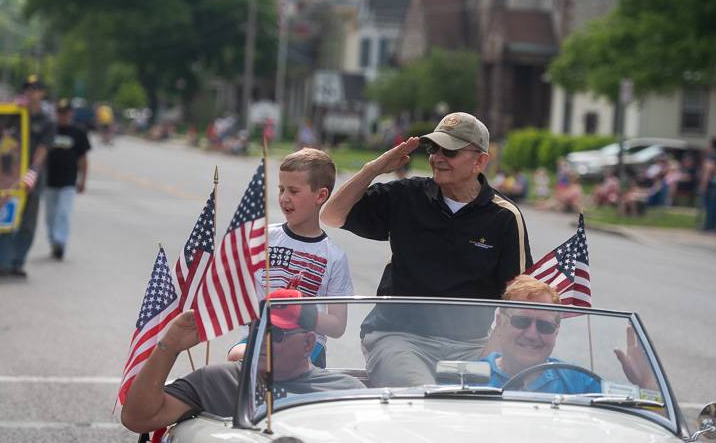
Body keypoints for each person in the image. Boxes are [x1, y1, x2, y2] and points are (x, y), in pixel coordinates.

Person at [321, 112, 532, 387]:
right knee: (423, 395)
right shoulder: (407, 195)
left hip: (470, 345)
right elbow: (332, 216)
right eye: (433, 149)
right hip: (397, 335)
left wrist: (489, 353)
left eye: (450, 151)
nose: (437, 157)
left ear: (480, 161)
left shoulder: (504, 217)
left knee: (481, 405)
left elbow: (517, 299)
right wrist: (374, 168)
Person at [120, 289, 365, 434]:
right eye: (257, 330)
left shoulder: (345, 391)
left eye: (275, 334)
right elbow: (138, 418)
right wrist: (169, 346)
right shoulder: (218, 380)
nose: (261, 340)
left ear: (308, 343)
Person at [227, 148, 353, 366]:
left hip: (307, 343)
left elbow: (337, 325)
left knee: (285, 364)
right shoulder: (261, 237)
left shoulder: (334, 257)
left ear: (321, 195)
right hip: (261, 335)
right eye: (281, 189)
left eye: (293, 191)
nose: (284, 198)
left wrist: (297, 313)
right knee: (237, 355)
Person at [479, 276, 656, 393]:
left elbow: (649, 432)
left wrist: (648, 385)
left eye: (545, 326)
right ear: (500, 323)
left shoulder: (579, 382)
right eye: (522, 321)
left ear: (556, 331)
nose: (532, 334)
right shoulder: (470, 376)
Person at [0, 75, 56, 277]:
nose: (31, 92)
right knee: (7, 217)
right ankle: (2, 261)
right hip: (10, 176)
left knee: (27, 221)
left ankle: (18, 262)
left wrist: (31, 172)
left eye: (36, 88)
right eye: (28, 88)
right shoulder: (15, 115)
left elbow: (43, 149)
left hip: (31, 178)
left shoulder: (47, 121)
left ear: (42, 93)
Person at [44, 99, 91, 260]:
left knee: (63, 213)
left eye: (66, 113)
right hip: (49, 180)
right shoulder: (50, 130)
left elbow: (83, 158)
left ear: (71, 114)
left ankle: (60, 242)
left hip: (68, 181)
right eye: (60, 113)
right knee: (50, 215)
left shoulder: (78, 132)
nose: (63, 116)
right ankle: (53, 241)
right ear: (56, 114)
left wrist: (83, 180)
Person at [698, 137, 716, 232]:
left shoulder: (711, 156)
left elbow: (708, 170)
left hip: (711, 183)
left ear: (712, 144)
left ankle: (709, 226)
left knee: (709, 206)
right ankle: (715, 226)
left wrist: (703, 185)